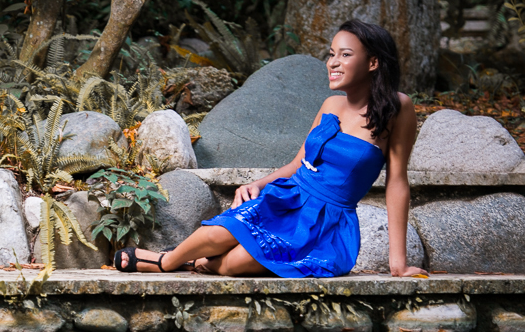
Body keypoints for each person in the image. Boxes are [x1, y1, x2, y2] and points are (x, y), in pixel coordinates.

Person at [113, 19, 426, 278]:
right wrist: (257, 184)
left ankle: (193, 264)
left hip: (327, 223)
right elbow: (299, 162)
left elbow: (397, 181)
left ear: (373, 62)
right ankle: (164, 262)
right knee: (216, 235)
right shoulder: (331, 104)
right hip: (288, 197)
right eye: (332, 54)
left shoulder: (399, 109)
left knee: (234, 264)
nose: (332, 62)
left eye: (345, 55)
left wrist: (397, 264)